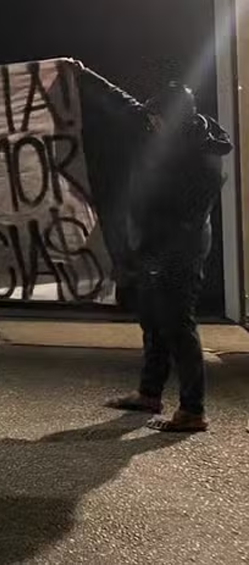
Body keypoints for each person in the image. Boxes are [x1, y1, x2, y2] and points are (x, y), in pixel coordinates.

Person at [75, 64, 231, 432]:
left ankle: (193, 411)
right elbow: (126, 105)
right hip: (152, 242)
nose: (151, 125)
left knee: (177, 323)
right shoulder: (161, 126)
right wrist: (82, 75)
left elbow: (186, 215)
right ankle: (149, 393)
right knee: (152, 320)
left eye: (159, 120)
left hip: (180, 246)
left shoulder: (202, 156)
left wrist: (158, 257)